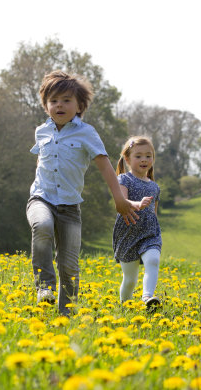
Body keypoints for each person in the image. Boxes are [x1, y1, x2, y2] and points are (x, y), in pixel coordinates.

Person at [26, 70, 140, 316]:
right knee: (42, 226)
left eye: (66, 100)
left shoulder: (86, 133)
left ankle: (66, 316)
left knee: (69, 266)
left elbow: (105, 166)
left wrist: (119, 198)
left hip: (69, 208)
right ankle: (44, 286)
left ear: (79, 105)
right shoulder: (41, 132)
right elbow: (42, 163)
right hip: (41, 198)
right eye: (54, 100)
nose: (60, 105)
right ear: (46, 105)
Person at [113, 136, 162, 309]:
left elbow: (153, 213)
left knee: (153, 260)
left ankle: (147, 297)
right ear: (127, 159)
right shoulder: (124, 180)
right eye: (138, 156)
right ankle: (124, 306)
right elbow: (122, 203)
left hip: (149, 233)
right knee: (130, 280)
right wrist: (137, 205)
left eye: (148, 156)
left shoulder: (155, 187)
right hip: (128, 233)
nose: (144, 160)